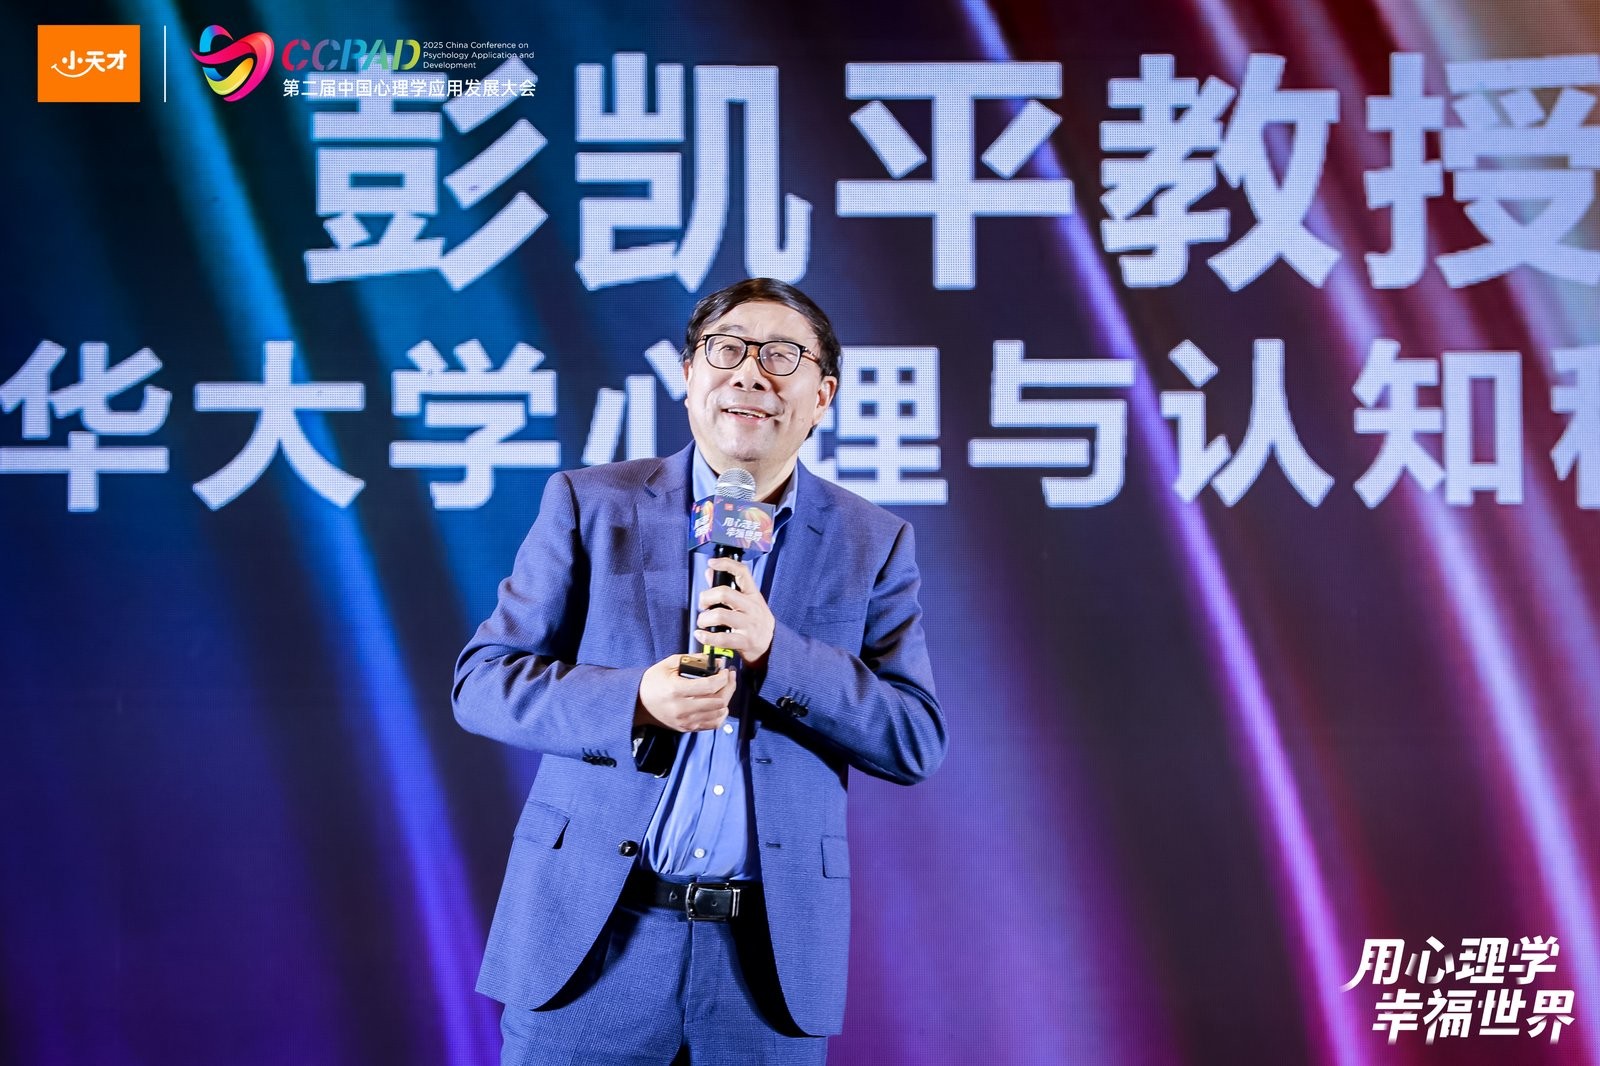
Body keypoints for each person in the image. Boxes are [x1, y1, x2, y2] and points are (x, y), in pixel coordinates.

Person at [453, 277, 947, 1065]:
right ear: (689, 376)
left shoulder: (872, 542)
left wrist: (777, 653)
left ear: (821, 395)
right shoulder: (592, 504)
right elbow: (483, 682)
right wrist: (635, 700)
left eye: (781, 356)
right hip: (591, 946)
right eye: (727, 350)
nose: (751, 372)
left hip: (764, 969)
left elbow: (914, 738)